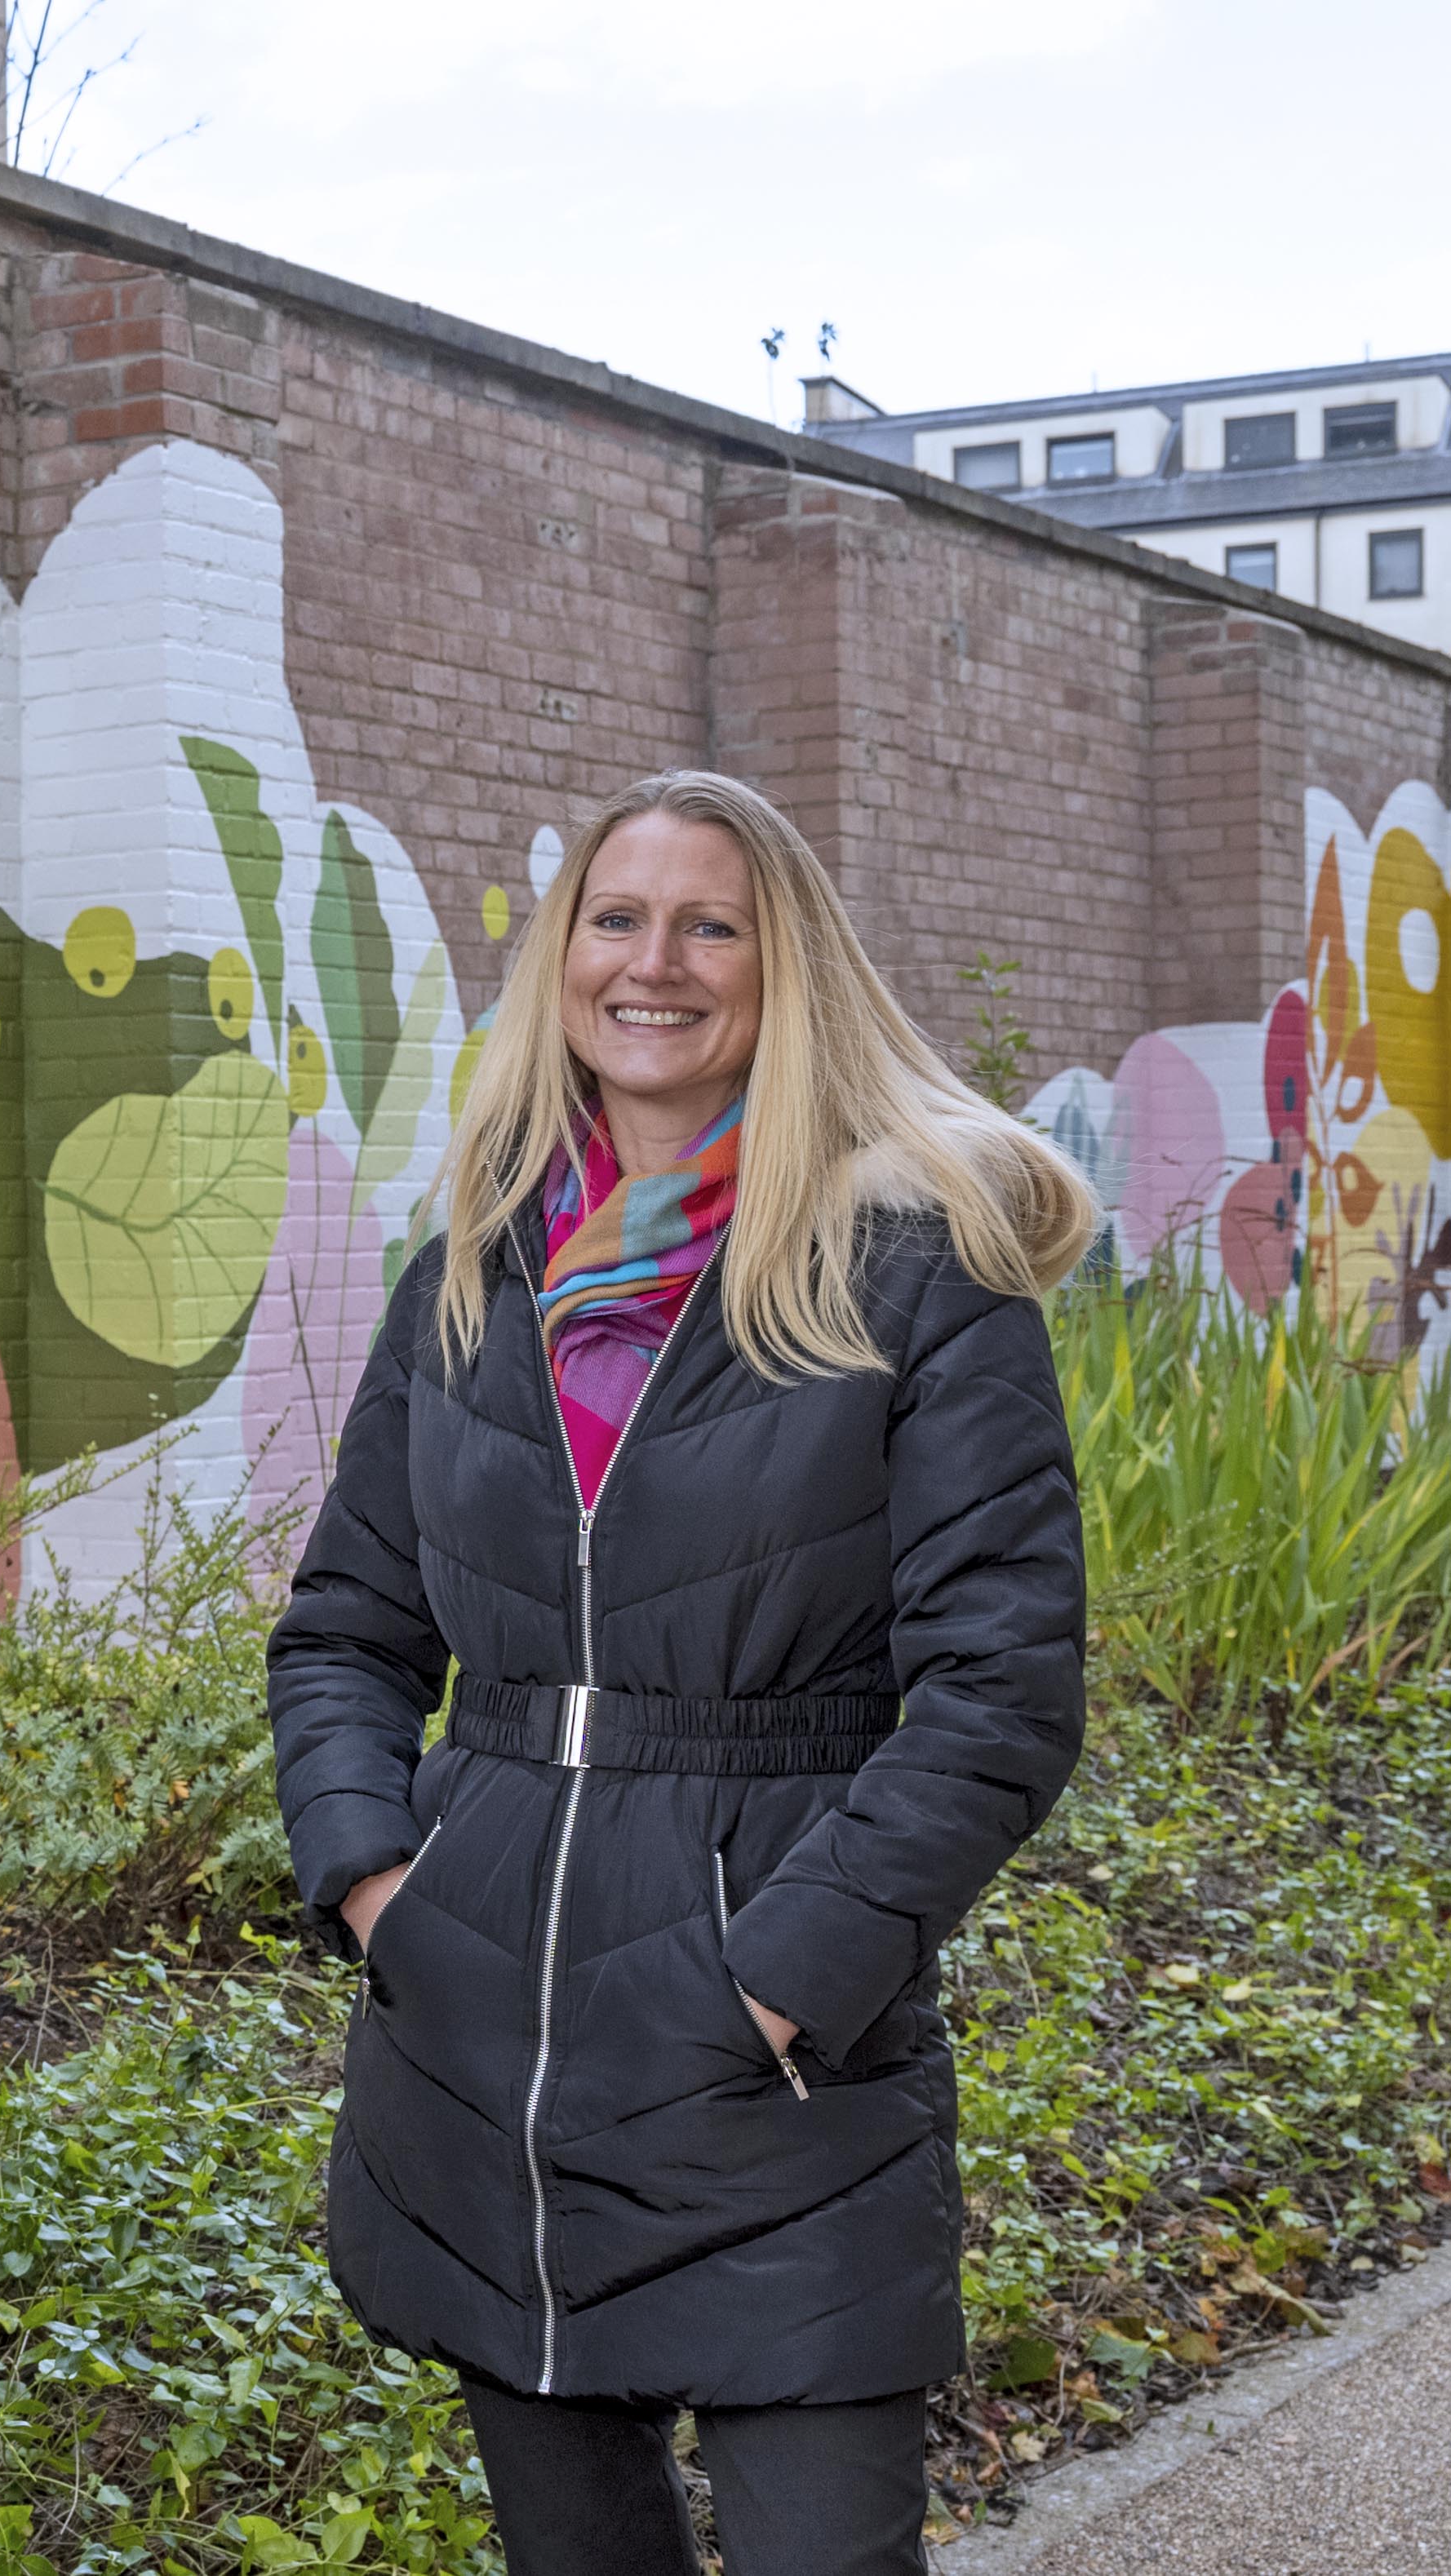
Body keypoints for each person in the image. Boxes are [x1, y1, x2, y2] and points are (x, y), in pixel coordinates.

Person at [267, 770, 1097, 2574]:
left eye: (709, 922)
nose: (657, 962)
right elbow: (346, 1630)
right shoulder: (468, 1285)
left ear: (780, 968)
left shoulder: (913, 1271)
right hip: (488, 2043)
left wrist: (776, 1990)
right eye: (616, 918)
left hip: (775, 2071)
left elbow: (1001, 1693)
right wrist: (382, 1892)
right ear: (562, 962)